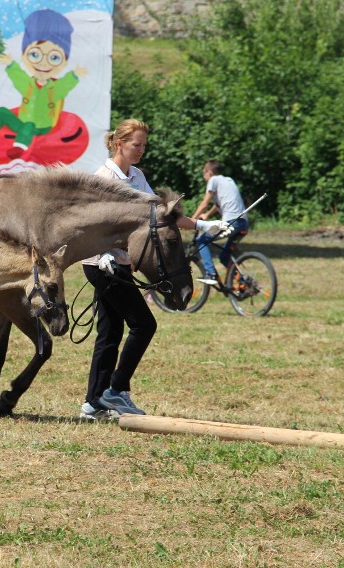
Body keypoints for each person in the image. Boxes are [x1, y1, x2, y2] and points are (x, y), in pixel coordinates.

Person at [79, 119, 231, 420]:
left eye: (144, 145)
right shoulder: (103, 178)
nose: (141, 150)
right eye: (137, 144)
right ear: (119, 143)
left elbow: (162, 217)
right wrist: (104, 253)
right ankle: (116, 391)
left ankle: (93, 404)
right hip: (101, 265)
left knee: (110, 333)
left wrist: (205, 225)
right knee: (144, 324)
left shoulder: (136, 177)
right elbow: (90, 224)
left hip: (119, 263)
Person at [0, 9, 87, 159]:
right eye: (35, 55)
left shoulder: (54, 88)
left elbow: (65, 84)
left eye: (54, 57)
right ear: (25, 55)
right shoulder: (29, 84)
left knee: (28, 127)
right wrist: (10, 65)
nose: (43, 63)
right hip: (21, 121)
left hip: (42, 126)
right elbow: (18, 76)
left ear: (64, 61)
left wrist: (74, 75)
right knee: (2, 112)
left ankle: (19, 148)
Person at [191, 160, 249, 286]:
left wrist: (192, 220)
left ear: (209, 172)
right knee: (224, 257)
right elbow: (219, 205)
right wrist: (207, 215)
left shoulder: (213, 180)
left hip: (231, 222)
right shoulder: (228, 180)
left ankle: (210, 273)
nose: (204, 177)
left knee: (201, 241)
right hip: (243, 223)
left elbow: (204, 203)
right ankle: (244, 284)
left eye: (204, 173)